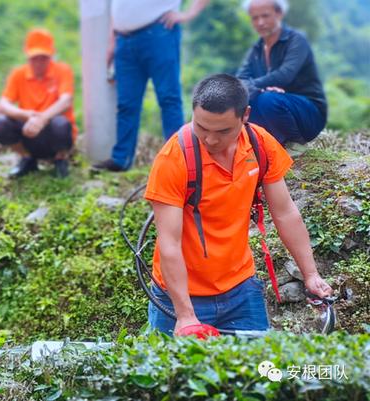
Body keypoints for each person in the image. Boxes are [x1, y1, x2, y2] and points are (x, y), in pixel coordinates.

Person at [144, 74, 332, 337]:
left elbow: (285, 212)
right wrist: (185, 316)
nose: (210, 140)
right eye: (202, 127)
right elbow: (169, 244)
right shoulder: (174, 159)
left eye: (222, 131)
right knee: (171, 376)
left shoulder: (259, 144)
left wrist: (310, 275)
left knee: (256, 373)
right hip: (180, 298)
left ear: (245, 116)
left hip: (241, 290)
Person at [93, 0, 209, 172]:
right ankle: (121, 159)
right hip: (123, 40)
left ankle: (179, 159)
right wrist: (112, 39)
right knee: (126, 104)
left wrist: (188, 14)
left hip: (159, 32)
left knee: (168, 98)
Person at [237, 0, 327, 145]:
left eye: (265, 16)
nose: (260, 22)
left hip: (308, 112)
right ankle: (258, 144)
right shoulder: (256, 49)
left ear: (279, 14)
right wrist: (255, 88)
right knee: (241, 100)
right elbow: (240, 80)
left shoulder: (296, 40)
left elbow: (285, 74)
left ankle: (295, 144)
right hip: (272, 106)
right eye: (255, 18)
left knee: (267, 99)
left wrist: (254, 86)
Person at [0, 28, 76, 178]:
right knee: (0, 124)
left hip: (52, 131)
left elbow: (66, 100)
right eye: (34, 57)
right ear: (27, 55)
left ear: (51, 55)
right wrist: (24, 114)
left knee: (61, 125)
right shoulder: (18, 74)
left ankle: (60, 159)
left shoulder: (62, 70)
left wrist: (43, 118)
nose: (38, 62)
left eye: (43, 57)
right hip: (29, 130)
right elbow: (2, 104)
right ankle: (27, 158)